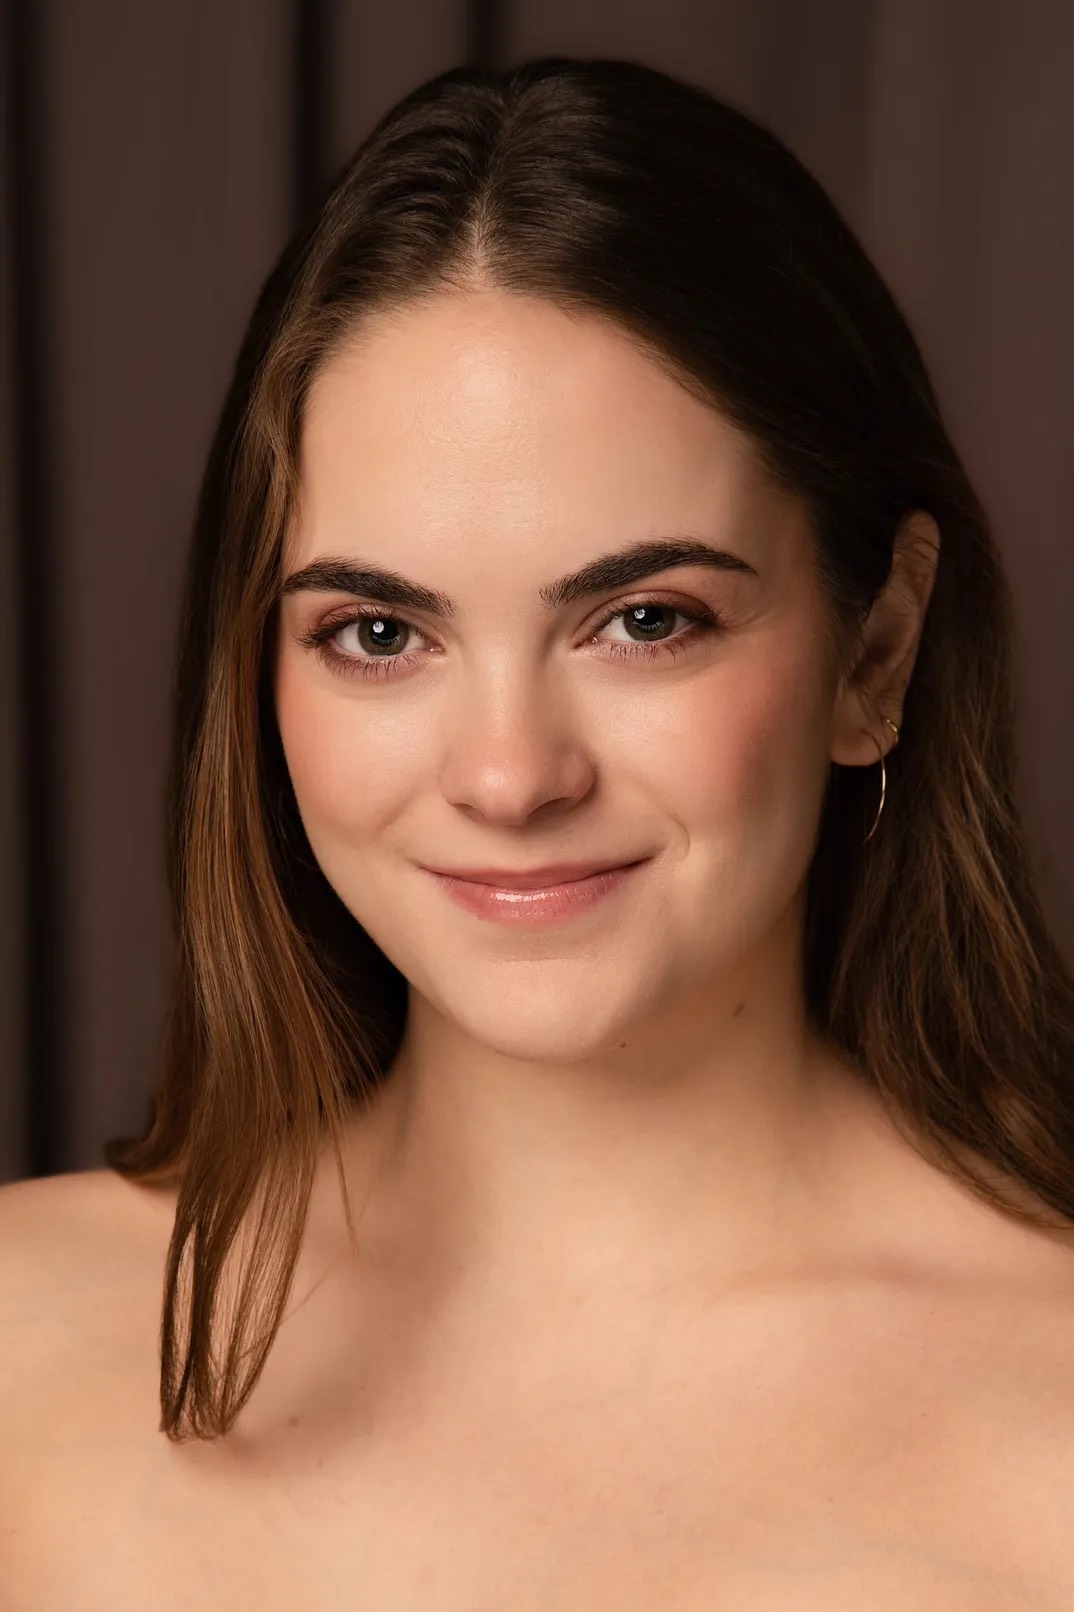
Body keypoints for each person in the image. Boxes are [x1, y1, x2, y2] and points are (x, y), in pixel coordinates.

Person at [4, 53, 1074, 1608]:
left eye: (643, 620)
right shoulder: (20, 1360)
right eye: (379, 634)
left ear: (877, 649)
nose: (509, 777)